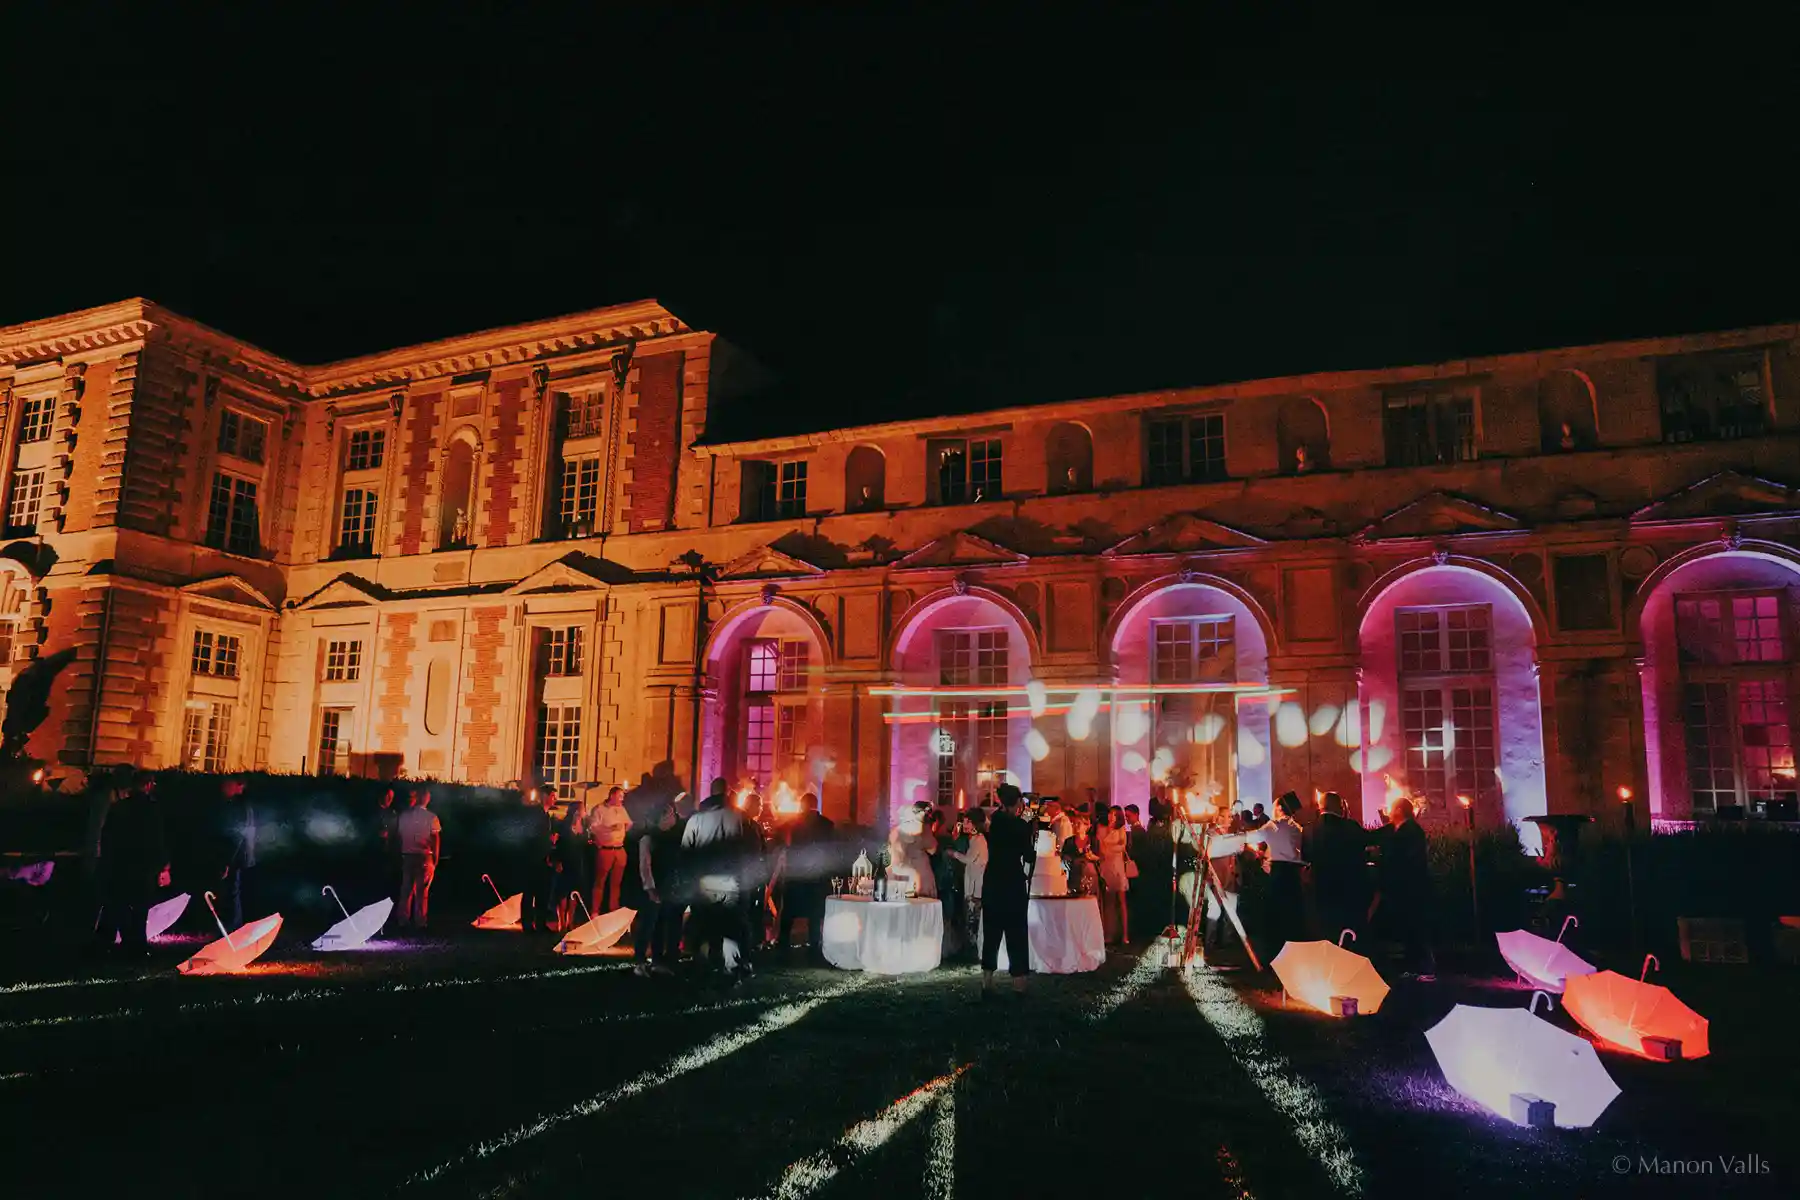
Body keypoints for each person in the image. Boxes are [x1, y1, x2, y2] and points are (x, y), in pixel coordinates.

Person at [681, 778, 755, 981]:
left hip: (704, 880)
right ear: (727, 793)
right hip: (731, 878)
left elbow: (686, 850)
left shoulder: (696, 818)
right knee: (731, 922)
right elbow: (748, 848)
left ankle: (704, 964)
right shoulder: (739, 817)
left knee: (705, 922)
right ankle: (732, 966)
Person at [94, 771, 170, 956]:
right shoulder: (152, 810)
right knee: (140, 907)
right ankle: (135, 944)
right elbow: (158, 840)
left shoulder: (119, 807)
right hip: (143, 865)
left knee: (118, 902)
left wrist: (107, 861)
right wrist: (162, 865)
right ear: (148, 785)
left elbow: (107, 837)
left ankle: (107, 941)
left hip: (121, 864)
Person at [1372, 797, 1436, 980]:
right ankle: (1414, 967)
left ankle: (1425, 968)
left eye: (1392, 809)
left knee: (1416, 928)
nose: (1389, 813)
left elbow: (1401, 859)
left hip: (1412, 889)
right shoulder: (1403, 830)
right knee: (1410, 929)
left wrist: (1382, 856)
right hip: (1407, 889)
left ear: (1399, 811)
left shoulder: (1410, 831)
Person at [980, 785, 1033, 998]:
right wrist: (1030, 827)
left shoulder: (995, 822)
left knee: (991, 929)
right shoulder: (1021, 826)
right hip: (1012, 880)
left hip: (993, 880)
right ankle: (1018, 981)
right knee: (1016, 930)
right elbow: (1028, 856)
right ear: (1017, 802)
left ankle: (987, 979)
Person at [777, 792, 835, 958]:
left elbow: (786, 845)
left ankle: (783, 943)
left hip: (797, 876)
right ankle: (815, 945)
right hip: (817, 876)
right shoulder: (827, 825)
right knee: (815, 913)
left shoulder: (793, 824)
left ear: (802, 805)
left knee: (789, 911)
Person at [1249, 791, 1306, 957]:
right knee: (1293, 915)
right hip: (1294, 875)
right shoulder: (1297, 827)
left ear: (1280, 808)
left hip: (1279, 873)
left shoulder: (1274, 825)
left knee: (1275, 914)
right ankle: (1294, 952)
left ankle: (1274, 952)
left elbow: (1254, 836)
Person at [1309, 791, 1369, 943]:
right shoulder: (1350, 826)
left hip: (1320, 889)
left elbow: (1306, 858)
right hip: (1347, 888)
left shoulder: (1309, 830)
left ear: (1320, 807)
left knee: (1325, 931)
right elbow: (1369, 840)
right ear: (1339, 806)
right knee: (1346, 932)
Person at [633, 799, 682, 976]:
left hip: (666, 886)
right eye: (670, 816)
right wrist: (650, 888)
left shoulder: (669, 838)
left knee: (660, 924)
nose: (673, 819)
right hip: (652, 888)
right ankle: (639, 961)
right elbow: (645, 865)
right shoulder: (648, 838)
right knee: (648, 924)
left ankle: (657, 960)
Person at [214, 774, 257, 929]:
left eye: (228, 784)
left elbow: (237, 836)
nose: (224, 787)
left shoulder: (238, 806)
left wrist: (227, 861)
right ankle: (231, 926)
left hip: (235, 857)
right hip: (239, 856)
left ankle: (232, 928)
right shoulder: (242, 805)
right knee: (233, 892)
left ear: (238, 786)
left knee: (231, 892)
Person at [396, 788, 441, 931]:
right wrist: (436, 858)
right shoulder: (431, 817)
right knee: (422, 892)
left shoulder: (404, 816)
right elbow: (435, 838)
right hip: (424, 856)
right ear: (427, 799)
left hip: (407, 855)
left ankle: (403, 920)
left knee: (406, 890)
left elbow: (399, 836)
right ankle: (420, 921)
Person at [949, 809, 989, 954]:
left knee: (974, 916)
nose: (964, 824)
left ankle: (975, 948)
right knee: (971, 914)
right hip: (973, 879)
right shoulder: (974, 839)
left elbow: (969, 859)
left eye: (968, 821)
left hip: (976, 882)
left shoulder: (979, 840)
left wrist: (953, 854)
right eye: (964, 821)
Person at [519, 786, 557, 933]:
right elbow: (532, 836)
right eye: (552, 795)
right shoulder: (535, 814)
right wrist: (548, 841)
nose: (555, 799)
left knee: (543, 892)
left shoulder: (546, 815)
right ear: (544, 796)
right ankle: (528, 924)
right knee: (530, 892)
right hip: (533, 859)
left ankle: (540, 923)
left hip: (543, 858)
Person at [590, 786, 631, 914]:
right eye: (620, 796)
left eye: (623, 797)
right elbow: (593, 827)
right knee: (600, 881)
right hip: (606, 849)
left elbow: (629, 823)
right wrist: (610, 829)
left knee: (616, 883)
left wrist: (625, 827)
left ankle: (613, 910)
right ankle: (595, 911)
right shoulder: (599, 809)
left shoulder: (622, 809)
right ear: (612, 795)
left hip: (619, 848)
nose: (622, 799)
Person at [553, 793, 590, 931]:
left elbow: (585, 843)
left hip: (577, 861)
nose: (585, 811)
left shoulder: (584, 826)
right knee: (562, 892)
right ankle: (561, 921)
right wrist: (557, 860)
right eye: (583, 809)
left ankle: (570, 920)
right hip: (565, 860)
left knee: (574, 891)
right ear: (576, 811)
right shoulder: (563, 826)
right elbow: (558, 845)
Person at [1096, 806, 1131, 946]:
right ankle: (1108, 934)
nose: (1112, 816)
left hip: (1118, 867)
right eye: (1110, 813)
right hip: (1107, 866)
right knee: (1109, 902)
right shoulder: (1102, 828)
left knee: (1122, 902)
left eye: (1115, 814)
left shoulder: (1121, 829)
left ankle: (1125, 934)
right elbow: (1101, 848)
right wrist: (1111, 843)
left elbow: (1123, 847)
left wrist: (1110, 846)